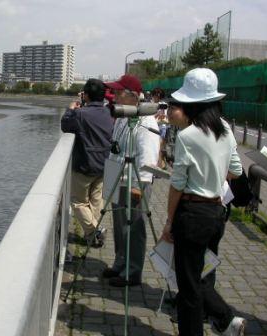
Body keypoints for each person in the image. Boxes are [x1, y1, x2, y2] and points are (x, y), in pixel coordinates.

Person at [160, 68, 246, 336]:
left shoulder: (188, 136)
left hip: (192, 213)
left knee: (189, 286)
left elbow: (177, 186)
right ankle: (223, 319)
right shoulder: (227, 130)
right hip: (216, 212)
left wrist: (169, 221)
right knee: (203, 272)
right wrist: (214, 172)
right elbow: (236, 171)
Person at [101, 75, 160, 287]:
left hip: (135, 181)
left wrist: (140, 185)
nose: (114, 95)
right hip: (117, 175)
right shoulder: (123, 116)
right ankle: (120, 262)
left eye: (118, 92)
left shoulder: (146, 120)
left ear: (132, 95)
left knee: (134, 227)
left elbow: (148, 156)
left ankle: (132, 272)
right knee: (118, 224)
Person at [61, 78, 114, 247]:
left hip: (85, 164)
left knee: (78, 202)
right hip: (103, 164)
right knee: (96, 200)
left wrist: (70, 110)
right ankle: (92, 237)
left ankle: (94, 231)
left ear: (86, 95)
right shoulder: (107, 112)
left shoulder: (80, 114)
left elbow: (65, 125)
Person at [151, 87, 169, 169]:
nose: (157, 97)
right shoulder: (150, 104)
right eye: (155, 95)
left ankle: (159, 166)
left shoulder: (164, 104)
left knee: (159, 147)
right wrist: (155, 116)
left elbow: (167, 118)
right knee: (154, 147)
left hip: (162, 127)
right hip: (152, 127)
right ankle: (159, 164)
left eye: (159, 96)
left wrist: (164, 116)